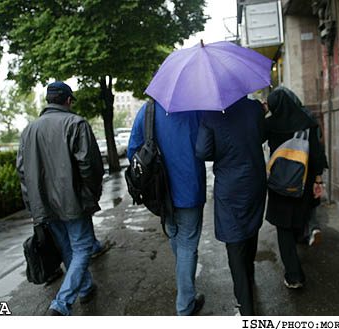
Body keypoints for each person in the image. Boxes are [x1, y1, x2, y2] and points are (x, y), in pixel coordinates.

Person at [17, 81, 104, 315]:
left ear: (48, 101)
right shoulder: (76, 123)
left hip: (44, 205)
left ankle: (85, 288)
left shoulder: (28, 131)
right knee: (83, 247)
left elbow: (23, 174)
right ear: (67, 100)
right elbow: (90, 166)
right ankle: (61, 304)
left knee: (68, 248)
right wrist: (91, 195)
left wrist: (33, 209)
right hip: (73, 202)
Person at [127, 100, 206, 316]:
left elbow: (133, 151)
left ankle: (186, 292)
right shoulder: (196, 108)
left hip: (161, 192)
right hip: (191, 188)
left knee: (177, 240)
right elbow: (207, 146)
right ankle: (185, 305)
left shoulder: (148, 110)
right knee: (188, 246)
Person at [196, 96, 267, 316]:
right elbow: (262, 135)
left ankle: (246, 309)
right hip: (255, 180)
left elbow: (202, 152)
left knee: (234, 242)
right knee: (251, 229)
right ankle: (249, 277)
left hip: (230, 186)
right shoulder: (254, 108)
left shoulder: (210, 114)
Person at [263, 87, 328, 289]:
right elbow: (317, 154)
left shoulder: (270, 124)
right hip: (303, 181)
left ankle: (294, 276)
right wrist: (318, 180)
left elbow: (254, 139)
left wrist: (263, 112)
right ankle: (307, 233)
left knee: (283, 229)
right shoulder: (306, 122)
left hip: (280, 183)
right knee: (297, 219)